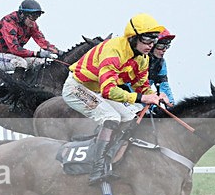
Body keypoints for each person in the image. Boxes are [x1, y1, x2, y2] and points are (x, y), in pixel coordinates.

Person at [62, 13, 171, 185]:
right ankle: (97, 169)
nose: (151, 45)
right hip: (76, 88)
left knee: (130, 117)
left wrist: (156, 96)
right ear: (133, 37)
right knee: (111, 117)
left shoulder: (142, 58)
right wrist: (143, 97)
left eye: (154, 40)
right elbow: (108, 91)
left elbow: (141, 85)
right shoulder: (114, 52)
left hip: (97, 90)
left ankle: (110, 160)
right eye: (146, 40)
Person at [0, 0, 62, 79]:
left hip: (16, 56)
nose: (34, 21)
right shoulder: (8, 22)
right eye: (32, 17)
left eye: (36, 17)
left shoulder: (31, 24)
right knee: (21, 63)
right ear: (22, 14)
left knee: (40, 62)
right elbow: (15, 49)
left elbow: (41, 41)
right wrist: (37, 54)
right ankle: (16, 85)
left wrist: (57, 51)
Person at [148, 28, 176, 112]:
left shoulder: (161, 62)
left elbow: (164, 85)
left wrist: (172, 105)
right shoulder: (139, 59)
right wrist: (152, 104)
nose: (164, 50)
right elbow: (133, 87)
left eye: (166, 47)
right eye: (160, 46)